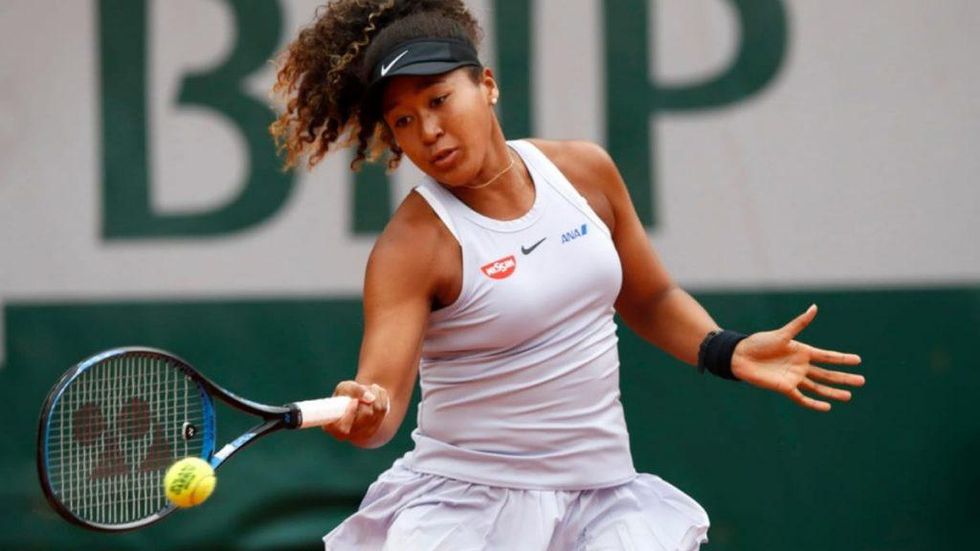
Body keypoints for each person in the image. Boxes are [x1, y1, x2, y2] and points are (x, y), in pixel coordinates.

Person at [269, 1, 865, 549]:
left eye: (438, 100)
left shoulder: (584, 172)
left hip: (604, 498)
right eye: (402, 120)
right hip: (467, 507)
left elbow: (650, 296)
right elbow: (384, 400)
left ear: (487, 84)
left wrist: (723, 349)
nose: (427, 131)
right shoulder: (412, 247)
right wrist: (366, 409)